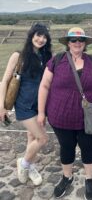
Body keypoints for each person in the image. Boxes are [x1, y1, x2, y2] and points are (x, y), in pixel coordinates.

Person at [38, 27, 92, 199]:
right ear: (68, 43)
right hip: (60, 116)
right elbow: (44, 86)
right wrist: (41, 112)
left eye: (81, 40)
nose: (77, 43)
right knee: (66, 148)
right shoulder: (57, 60)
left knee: (88, 148)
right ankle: (67, 177)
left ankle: (89, 179)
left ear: (85, 43)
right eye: (73, 40)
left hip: (87, 118)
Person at [0, 23, 52, 186]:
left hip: (40, 104)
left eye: (44, 37)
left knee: (32, 137)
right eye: (38, 35)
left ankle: (29, 166)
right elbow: (5, 81)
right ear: (31, 35)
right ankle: (24, 163)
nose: (41, 39)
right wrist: (1, 106)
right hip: (24, 105)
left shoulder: (46, 56)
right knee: (43, 138)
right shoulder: (19, 56)